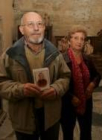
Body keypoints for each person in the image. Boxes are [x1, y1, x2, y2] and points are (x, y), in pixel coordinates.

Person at [0, 11, 71, 140]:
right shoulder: (9, 55)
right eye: (30, 24)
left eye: (39, 24)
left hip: (50, 117)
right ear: (22, 29)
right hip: (23, 118)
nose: (36, 28)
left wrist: (56, 89)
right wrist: (21, 89)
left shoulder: (56, 53)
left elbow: (65, 77)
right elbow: (1, 83)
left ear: (44, 28)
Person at [60, 25, 101, 140]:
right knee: (68, 133)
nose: (79, 41)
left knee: (86, 132)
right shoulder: (62, 59)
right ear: (69, 41)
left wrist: (92, 85)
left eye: (82, 39)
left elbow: (97, 75)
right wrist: (71, 97)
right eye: (75, 38)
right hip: (68, 104)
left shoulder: (87, 59)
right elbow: (58, 83)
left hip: (86, 101)